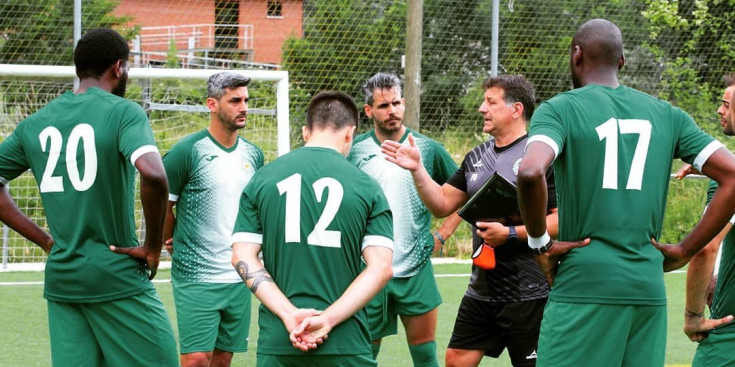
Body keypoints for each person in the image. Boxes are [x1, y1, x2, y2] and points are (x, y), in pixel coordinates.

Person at [516, 18, 735, 367]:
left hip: (583, 286)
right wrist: (683, 249)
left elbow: (529, 172)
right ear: (621, 63)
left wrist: (540, 244)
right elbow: (733, 176)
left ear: (576, 56)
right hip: (646, 290)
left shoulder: (560, 109)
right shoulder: (668, 115)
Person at [0, 28, 178, 366]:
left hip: (64, 280)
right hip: (116, 275)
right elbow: (154, 174)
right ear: (118, 67)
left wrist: (46, 241)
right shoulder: (123, 112)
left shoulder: (35, 124)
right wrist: (152, 247)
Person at [381, 74, 557, 367]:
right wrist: (416, 169)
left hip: (529, 292)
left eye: (491, 102)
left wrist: (510, 233)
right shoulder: (477, 156)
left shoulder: (537, 156)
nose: (481, 108)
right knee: (455, 361)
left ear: (516, 110)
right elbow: (442, 203)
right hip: (482, 291)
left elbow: (558, 221)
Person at [230, 91, 394, 367]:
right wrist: (327, 319)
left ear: (306, 132)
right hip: (346, 341)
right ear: (350, 133)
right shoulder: (368, 187)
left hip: (280, 339)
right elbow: (381, 268)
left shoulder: (263, 179)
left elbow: (242, 257)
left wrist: (289, 314)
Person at [348, 72, 459, 367]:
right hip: (367, 270)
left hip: (415, 268)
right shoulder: (354, 151)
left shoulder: (427, 148)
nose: (393, 111)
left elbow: (465, 195)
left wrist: (442, 235)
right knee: (362, 357)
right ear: (369, 110)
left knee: (425, 357)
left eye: (396, 103)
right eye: (383, 106)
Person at [162, 72, 263, 367]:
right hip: (197, 273)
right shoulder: (188, 151)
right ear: (212, 104)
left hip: (240, 273)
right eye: (235, 100)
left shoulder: (254, 155)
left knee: (222, 360)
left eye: (246, 100)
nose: (244, 107)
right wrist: (168, 238)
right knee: (195, 359)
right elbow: (161, 204)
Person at [683, 74, 735, 366]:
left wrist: (692, 316)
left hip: (729, 333)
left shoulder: (730, 181)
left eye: (727, 105)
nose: (720, 111)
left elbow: (705, 248)